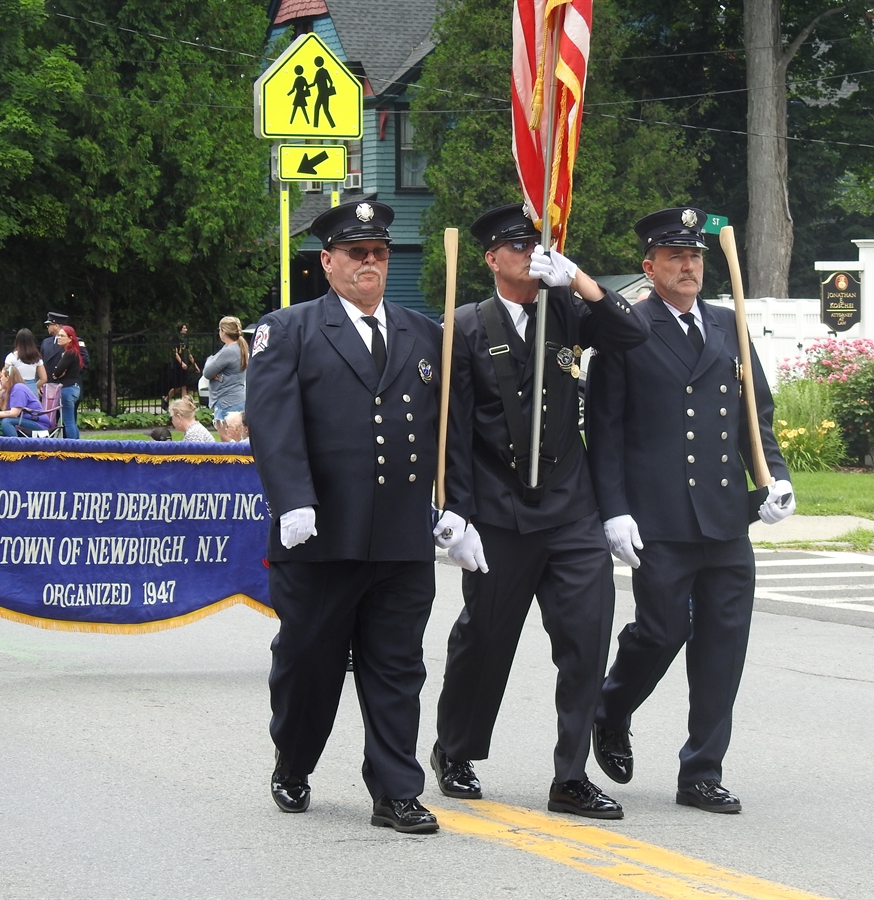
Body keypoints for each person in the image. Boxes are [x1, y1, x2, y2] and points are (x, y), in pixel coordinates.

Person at [430, 204, 648, 820]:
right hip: (498, 514)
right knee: (486, 639)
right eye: (515, 246)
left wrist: (577, 279)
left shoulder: (567, 311)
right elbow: (454, 432)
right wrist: (456, 516)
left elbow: (633, 334)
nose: (529, 254)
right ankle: (456, 749)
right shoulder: (467, 327)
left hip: (571, 510)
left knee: (585, 639)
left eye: (536, 244)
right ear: (491, 258)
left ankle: (571, 776)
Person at [586, 207, 795, 814]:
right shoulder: (626, 328)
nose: (688, 266)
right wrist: (614, 511)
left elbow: (757, 417)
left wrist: (774, 478)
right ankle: (612, 706)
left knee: (724, 646)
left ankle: (701, 770)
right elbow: (605, 432)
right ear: (648, 267)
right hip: (658, 517)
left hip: (726, 516)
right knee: (662, 630)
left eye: (695, 256)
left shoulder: (730, 325)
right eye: (674, 257)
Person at [245, 201, 444, 834]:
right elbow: (273, 426)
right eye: (356, 253)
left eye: (379, 252)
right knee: (311, 663)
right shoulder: (291, 329)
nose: (369, 263)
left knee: (396, 665)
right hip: (321, 533)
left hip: (400, 535)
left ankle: (395, 790)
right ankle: (294, 762)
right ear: (327, 262)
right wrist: (292, 499)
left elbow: (449, 432)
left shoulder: (425, 333)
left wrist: (454, 507)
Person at [204, 316, 248, 441]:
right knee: (239, 438)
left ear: (223, 332)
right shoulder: (238, 348)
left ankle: (234, 461)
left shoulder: (229, 351)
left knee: (228, 439)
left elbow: (207, 372)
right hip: (237, 398)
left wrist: (210, 359)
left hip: (226, 401)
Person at [0, 366, 50, 437]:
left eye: (2, 377)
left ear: (7, 378)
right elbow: (4, 410)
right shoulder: (9, 390)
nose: (0, 379)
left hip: (39, 424)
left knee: (6, 422)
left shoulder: (18, 388)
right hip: (24, 421)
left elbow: (14, 413)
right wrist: (0, 396)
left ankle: (15, 446)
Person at [49, 324, 84, 439]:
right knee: (71, 421)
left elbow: (57, 372)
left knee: (68, 421)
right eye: (58, 335)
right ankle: (78, 444)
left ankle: (73, 446)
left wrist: (58, 372)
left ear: (70, 338)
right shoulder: (74, 352)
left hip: (67, 389)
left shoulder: (69, 353)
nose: (59, 338)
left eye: (62, 336)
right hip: (74, 388)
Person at [4, 328, 47, 396]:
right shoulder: (37, 358)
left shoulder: (11, 357)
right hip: (32, 388)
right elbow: (44, 378)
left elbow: (5, 376)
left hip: (16, 388)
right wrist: (34, 387)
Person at [165, 323, 200, 406]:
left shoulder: (185, 341)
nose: (186, 330)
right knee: (177, 387)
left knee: (184, 386)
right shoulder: (175, 340)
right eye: (184, 328)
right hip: (177, 366)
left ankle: (184, 404)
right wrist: (182, 363)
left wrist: (195, 365)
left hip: (185, 367)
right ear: (180, 330)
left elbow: (189, 354)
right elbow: (176, 354)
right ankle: (166, 399)